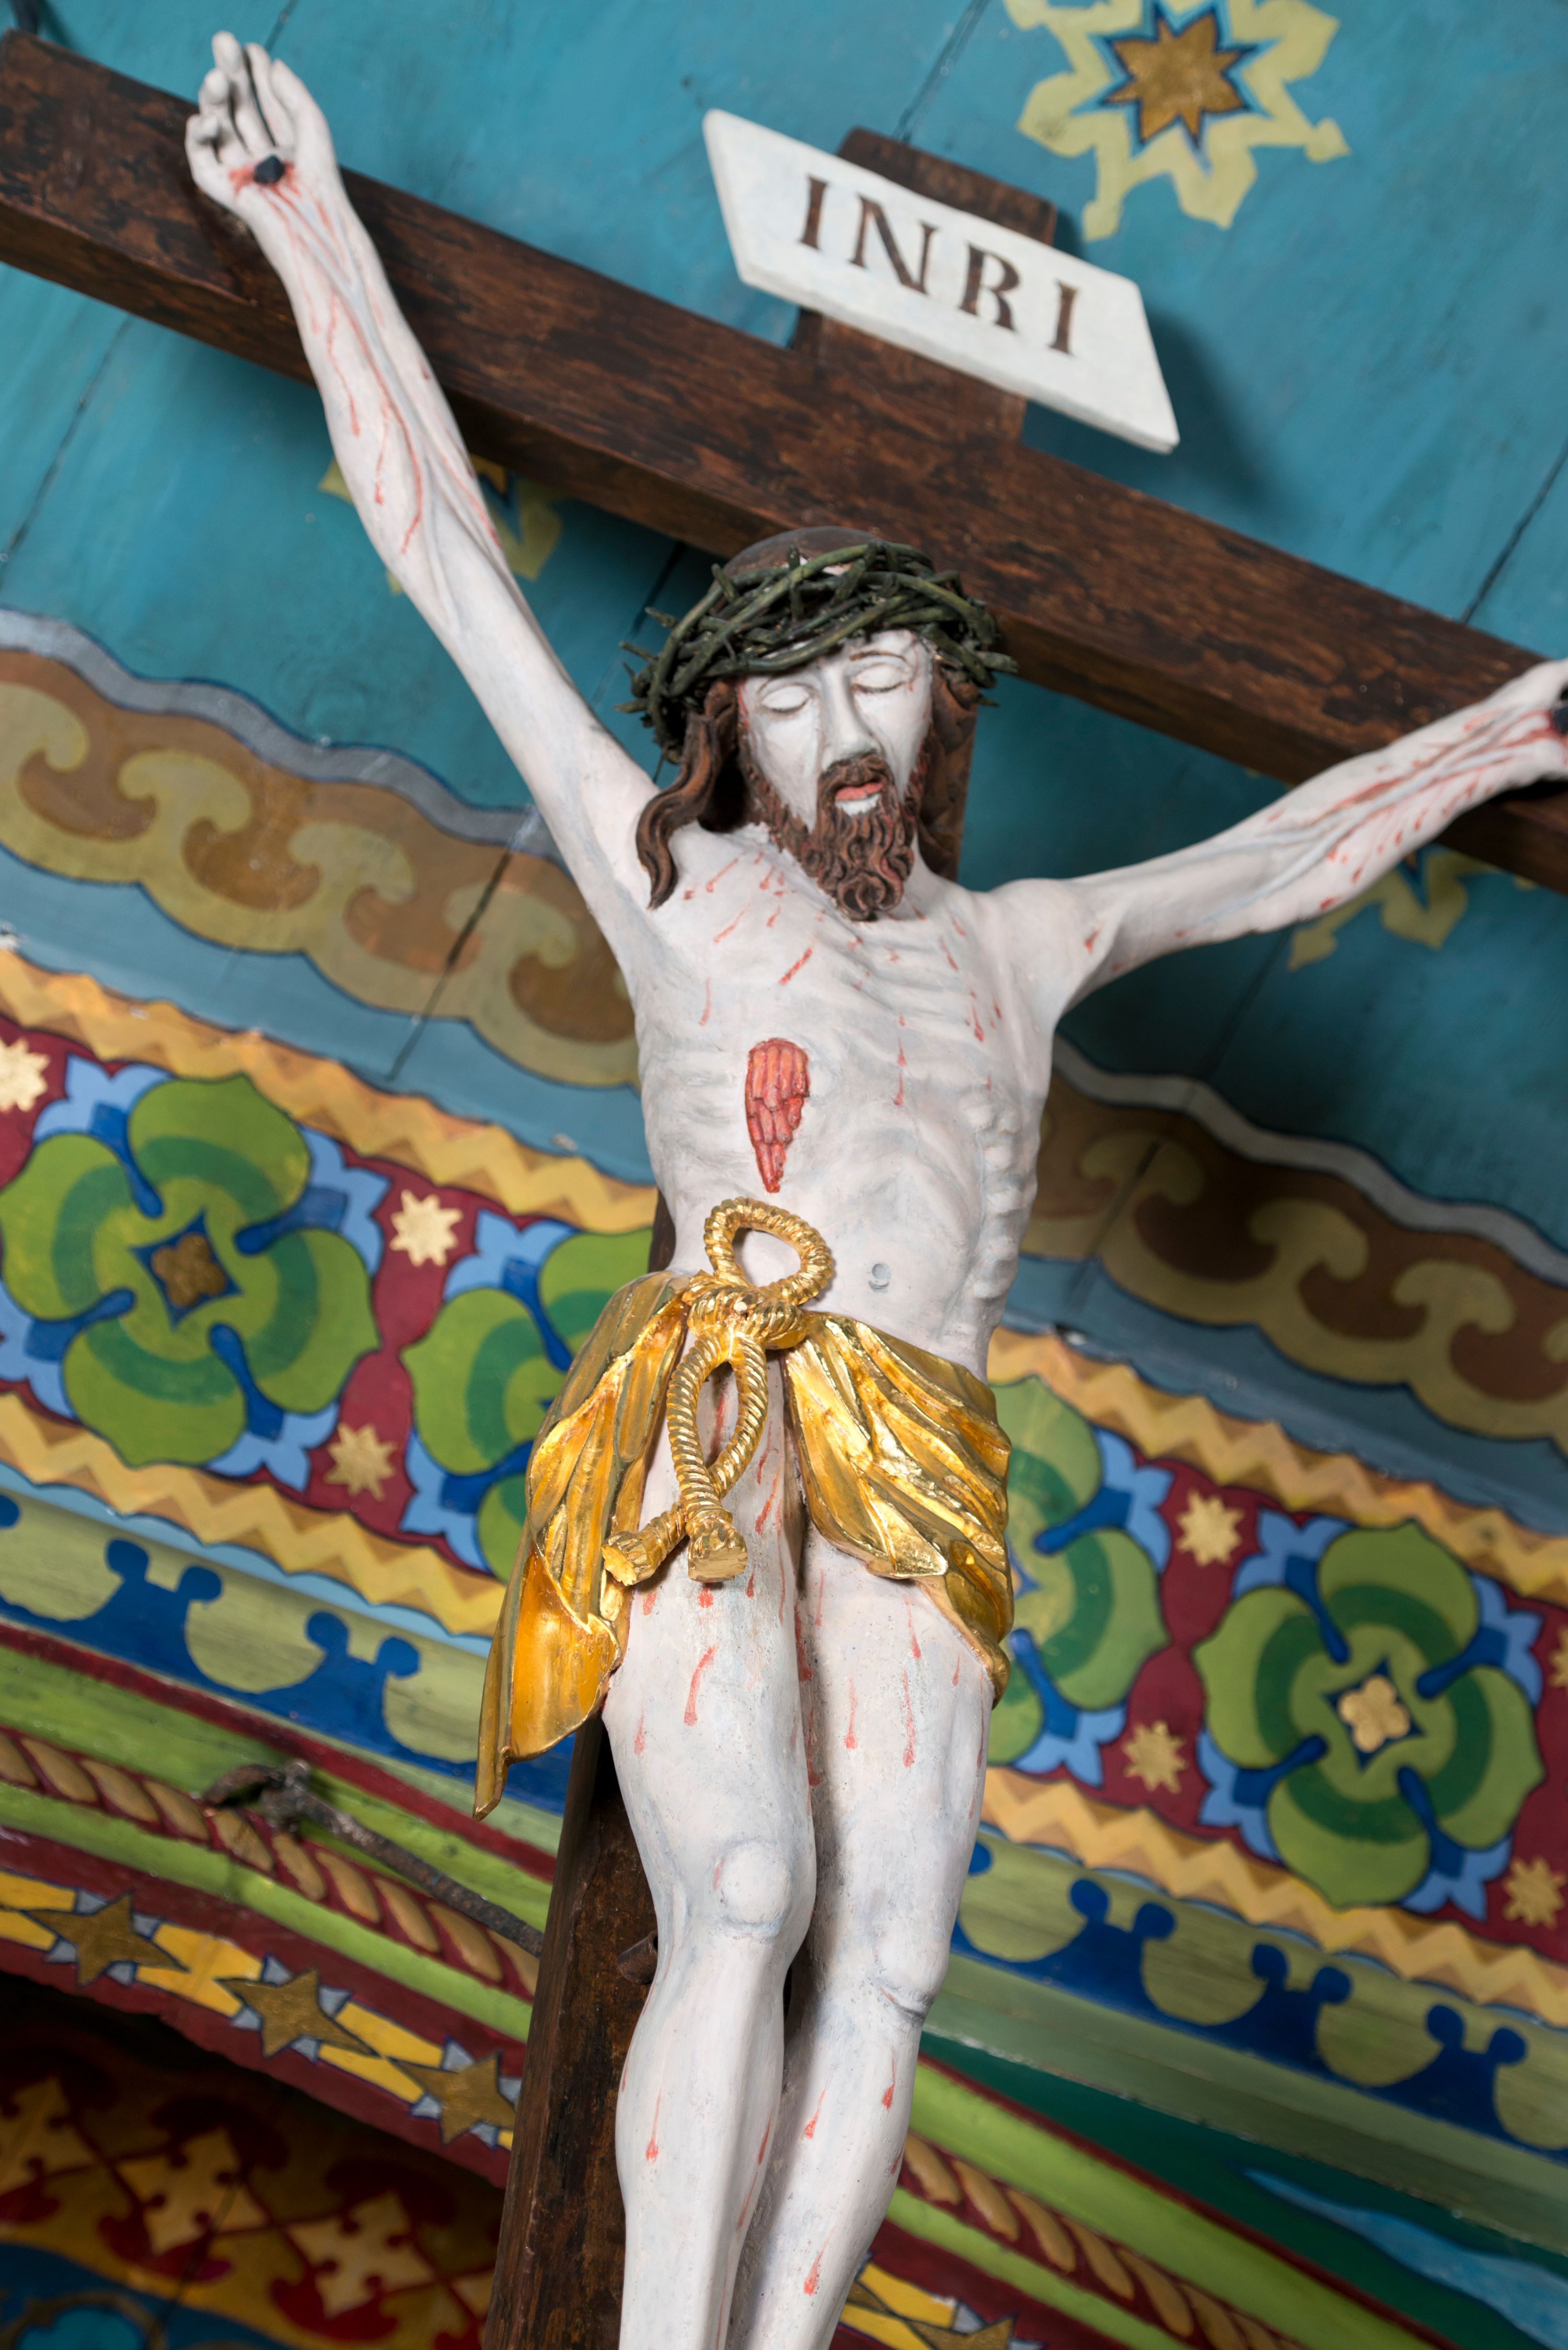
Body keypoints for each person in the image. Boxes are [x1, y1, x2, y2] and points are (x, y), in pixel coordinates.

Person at [188, 38, 1568, 2350]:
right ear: (732, 727)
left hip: (926, 1436)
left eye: (894, 680)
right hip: (721, 1398)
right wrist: (306, 221)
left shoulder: (1022, 944)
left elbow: (1268, 863)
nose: (852, 730)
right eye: (803, 692)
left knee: (899, 1950)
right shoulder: (688, 891)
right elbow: (446, 563)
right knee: (743, 1881)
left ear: (944, 716)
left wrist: (1497, 739)